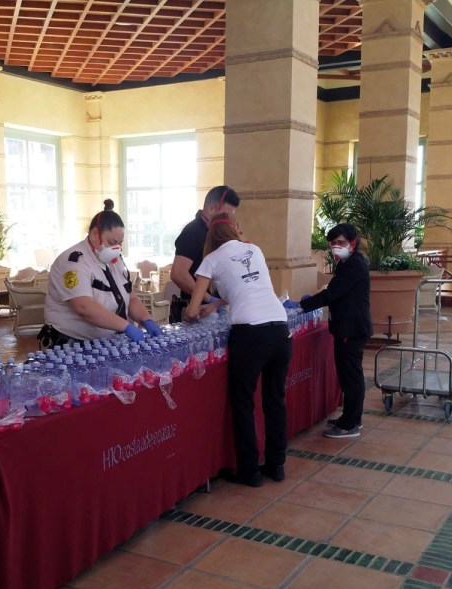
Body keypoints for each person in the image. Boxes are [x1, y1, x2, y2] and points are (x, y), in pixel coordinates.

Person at [184, 212, 291, 487]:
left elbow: (193, 310)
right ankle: (277, 464)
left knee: (243, 402)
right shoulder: (254, 249)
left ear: (211, 236)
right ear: (235, 231)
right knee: (275, 399)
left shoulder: (211, 259)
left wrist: (193, 312)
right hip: (279, 327)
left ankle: (249, 471)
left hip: (250, 333)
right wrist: (218, 304)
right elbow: (249, 286)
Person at [40, 200, 163, 347]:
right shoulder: (73, 262)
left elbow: (131, 298)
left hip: (104, 343)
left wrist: (147, 320)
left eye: (120, 243)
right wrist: (126, 327)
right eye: (111, 242)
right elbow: (84, 307)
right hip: (70, 344)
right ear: (94, 234)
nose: (116, 248)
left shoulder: (114, 261)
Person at [294, 223, 371, 438]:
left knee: (351, 377)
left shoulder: (354, 264)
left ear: (353, 243)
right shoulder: (347, 263)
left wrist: (303, 306)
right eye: (333, 243)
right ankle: (350, 416)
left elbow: (333, 293)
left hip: (351, 328)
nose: (336, 247)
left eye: (341, 243)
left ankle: (351, 423)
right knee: (348, 376)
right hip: (347, 326)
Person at [170, 185, 241, 321]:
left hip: (217, 307)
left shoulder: (216, 233)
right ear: (211, 209)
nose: (229, 222)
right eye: (225, 216)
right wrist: (208, 298)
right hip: (198, 310)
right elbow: (178, 274)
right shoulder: (193, 232)